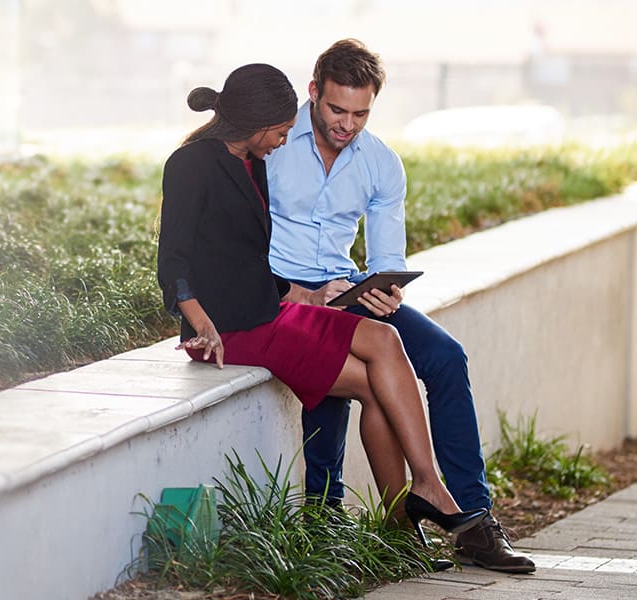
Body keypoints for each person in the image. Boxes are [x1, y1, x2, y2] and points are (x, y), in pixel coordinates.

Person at [158, 63, 486, 549]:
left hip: (269, 309)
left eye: (361, 113)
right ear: (258, 120)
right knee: (376, 386)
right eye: (281, 130)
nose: (284, 139)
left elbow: (245, 260)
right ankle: (402, 515)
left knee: (387, 338)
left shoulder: (254, 163)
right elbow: (174, 261)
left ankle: (425, 490)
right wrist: (202, 323)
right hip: (229, 328)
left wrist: (306, 295)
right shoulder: (190, 163)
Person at [264, 39, 535, 574]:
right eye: (336, 109)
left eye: (360, 113)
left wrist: (386, 289)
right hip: (282, 291)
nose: (347, 124)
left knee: (446, 357)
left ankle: (473, 520)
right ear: (314, 92)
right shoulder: (272, 143)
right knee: (340, 376)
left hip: (346, 287)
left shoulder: (381, 163)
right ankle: (327, 515)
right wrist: (285, 290)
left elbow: (388, 255)